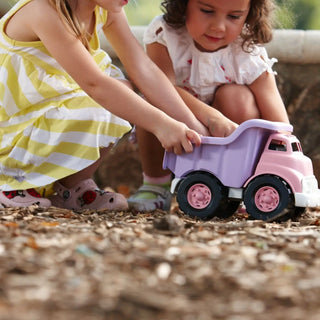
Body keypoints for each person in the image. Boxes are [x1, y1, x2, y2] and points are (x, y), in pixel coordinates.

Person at [0, 0, 207, 210]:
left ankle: (69, 188)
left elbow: (143, 68)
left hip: (44, 112)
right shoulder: (42, 11)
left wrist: (193, 126)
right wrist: (161, 125)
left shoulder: (105, 8)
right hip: (12, 129)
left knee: (121, 90)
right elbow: (95, 85)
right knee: (110, 97)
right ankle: (12, 182)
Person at [128, 0, 290, 211]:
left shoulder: (247, 50)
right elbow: (160, 86)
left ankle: (235, 185)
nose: (218, 27)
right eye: (206, 11)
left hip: (229, 145)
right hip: (175, 133)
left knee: (238, 97)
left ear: (250, 14)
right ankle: (156, 185)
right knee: (152, 98)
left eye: (234, 16)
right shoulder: (165, 34)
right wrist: (211, 117)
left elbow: (279, 123)